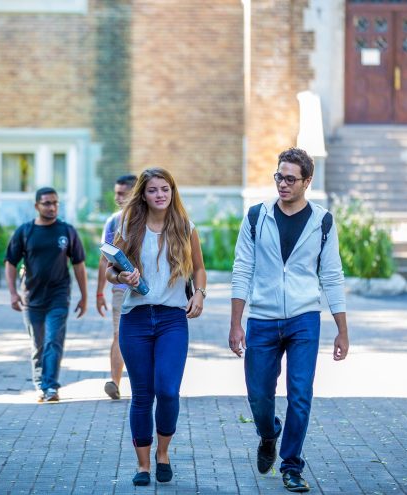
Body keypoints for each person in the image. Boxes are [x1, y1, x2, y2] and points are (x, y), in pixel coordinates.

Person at [229, 147, 349, 493]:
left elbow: (332, 276)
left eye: (290, 179)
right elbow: (242, 270)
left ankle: (292, 465)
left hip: (304, 319)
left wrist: (342, 330)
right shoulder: (256, 216)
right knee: (259, 396)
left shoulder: (322, 221)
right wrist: (237, 323)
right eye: (279, 176)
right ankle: (269, 434)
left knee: (300, 395)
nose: (282, 184)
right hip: (263, 319)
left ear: (307, 182)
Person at [105, 167, 207, 486]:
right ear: (143, 195)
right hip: (135, 319)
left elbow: (200, 269)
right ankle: (143, 466)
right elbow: (110, 270)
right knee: (142, 394)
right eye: (153, 190)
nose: (160, 195)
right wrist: (121, 277)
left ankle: (164, 454)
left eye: (165, 189)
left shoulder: (185, 227)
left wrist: (200, 294)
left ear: (172, 192)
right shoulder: (129, 225)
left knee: (168, 390)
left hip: (171, 320)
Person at [4, 187, 88, 403]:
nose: (52, 207)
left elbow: (78, 264)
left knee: (53, 341)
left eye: (55, 203)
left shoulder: (66, 231)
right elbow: (10, 262)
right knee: (38, 344)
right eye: (47, 203)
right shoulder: (25, 232)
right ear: (36, 206)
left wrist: (85, 296)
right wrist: (13, 293)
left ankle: (50, 386)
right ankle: (40, 384)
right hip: (32, 298)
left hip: (59, 297)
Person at [96, 174, 137, 400]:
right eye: (116, 193)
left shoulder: (152, 218)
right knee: (119, 334)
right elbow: (105, 259)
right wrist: (99, 292)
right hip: (121, 288)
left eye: (122, 193)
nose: (117, 198)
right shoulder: (113, 221)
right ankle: (115, 381)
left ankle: (145, 383)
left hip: (151, 290)